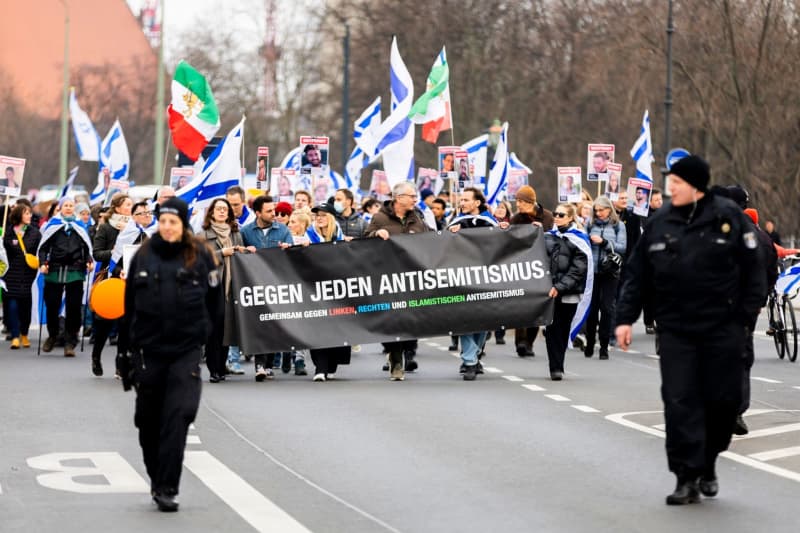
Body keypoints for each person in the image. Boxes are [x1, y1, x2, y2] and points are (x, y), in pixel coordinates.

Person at [616, 155, 766, 505]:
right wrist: (624, 318)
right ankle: (685, 476)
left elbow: (754, 269)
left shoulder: (727, 217)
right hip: (676, 330)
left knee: (722, 402)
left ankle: (709, 462)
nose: (670, 188)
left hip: (722, 328)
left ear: (696, 186)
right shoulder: (660, 223)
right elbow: (637, 274)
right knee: (679, 401)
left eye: (677, 183)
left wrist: (744, 316)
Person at [123, 197, 218, 512]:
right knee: (148, 421)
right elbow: (129, 307)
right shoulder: (144, 256)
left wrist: (207, 339)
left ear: (183, 224)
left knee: (178, 416)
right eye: (162, 221)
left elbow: (215, 303)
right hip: (149, 350)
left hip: (185, 351)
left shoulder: (200, 256)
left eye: (172, 222)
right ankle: (156, 477)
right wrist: (125, 354)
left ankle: (168, 487)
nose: (166, 227)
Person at [366, 182, 429, 380]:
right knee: (393, 321)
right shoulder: (379, 217)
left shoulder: (417, 218)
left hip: (412, 278)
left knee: (411, 320)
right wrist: (376, 234)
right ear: (398, 198)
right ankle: (396, 360)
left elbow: (432, 241)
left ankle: (408, 351)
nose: (415, 199)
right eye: (411, 196)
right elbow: (364, 240)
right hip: (388, 279)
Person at [240, 195, 294, 381]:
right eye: (270, 211)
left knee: (273, 324)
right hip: (254, 284)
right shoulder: (246, 232)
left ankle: (269, 363)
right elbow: (239, 256)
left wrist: (289, 249)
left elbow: (293, 255)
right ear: (258, 213)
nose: (275, 214)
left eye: (275, 210)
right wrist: (245, 251)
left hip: (276, 284)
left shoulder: (283, 230)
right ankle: (260, 364)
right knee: (258, 324)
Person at [447, 187, 498, 380]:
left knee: (483, 321)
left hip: (485, 279)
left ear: (477, 203)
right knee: (465, 319)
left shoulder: (490, 223)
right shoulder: (456, 222)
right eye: (461, 200)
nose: (462, 203)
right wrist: (450, 235)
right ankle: (469, 361)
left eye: (466, 199)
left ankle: (475, 355)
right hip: (462, 279)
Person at [198, 198, 247, 383]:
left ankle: (221, 366)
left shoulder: (235, 233)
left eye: (225, 209)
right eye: (218, 209)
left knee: (227, 329)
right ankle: (213, 369)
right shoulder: (202, 234)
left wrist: (243, 250)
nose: (221, 212)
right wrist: (221, 254)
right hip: (212, 288)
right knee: (214, 331)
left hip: (231, 286)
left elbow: (240, 256)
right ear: (211, 212)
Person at [37, 197, 93, 357]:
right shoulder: (53, 225)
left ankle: (70, 341)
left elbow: (86, 247)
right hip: (54, 268)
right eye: (66, 205)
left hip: (75, 269)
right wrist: (42, 263)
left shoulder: (80, 226)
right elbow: (44, 247)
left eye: (71, 206)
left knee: (74, 307)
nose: (68, 208)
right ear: (61, 208)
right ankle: (53, 334)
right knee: (52, 304)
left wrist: (89, 261)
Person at [543, 203, 590, 380]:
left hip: (568, 293)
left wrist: (559, 287)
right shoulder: (548, 237)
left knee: (562, 329)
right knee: (551, 329)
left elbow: (577, 270)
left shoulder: (578, 239)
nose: (556, 217)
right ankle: (555, 367)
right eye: (555, 213)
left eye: (561, 215)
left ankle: (559, 362)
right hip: (549, 293)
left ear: (571, 217)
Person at [90, 193, 133, 376]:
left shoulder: (135, 229)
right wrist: (115, 253)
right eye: (127, 205)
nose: (130, 208)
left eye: (132, 205)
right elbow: (97, 253)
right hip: (111, 278)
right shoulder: (106, 228)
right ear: (117, 208)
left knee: (126, 325)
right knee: (105, 324)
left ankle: (120, 363)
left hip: (129, 279)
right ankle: (96, 355)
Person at [306, 202, 350, 381]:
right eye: (317, 215)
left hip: (337, 290)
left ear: (331, 217)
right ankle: (319, 367)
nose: (319, 218)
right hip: (314, 289)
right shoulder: (307, 235)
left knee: (337, 327)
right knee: (317, 327)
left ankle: (331, 364)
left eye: (323, 215)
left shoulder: (339, 237)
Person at [509, 185, 553, 357]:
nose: (518, 205)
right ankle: (520, 342)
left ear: (531, 202)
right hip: (522, 266)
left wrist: (541, 230)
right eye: (517, 201)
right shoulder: (516, 218)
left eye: (520, 201)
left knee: (536, 305)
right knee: (521, 304)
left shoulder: (547, 217)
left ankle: (529, 342)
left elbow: (552, 239)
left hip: (541, 267)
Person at [584, 195, 626, 360]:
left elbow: (622, 247)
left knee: (607, 308)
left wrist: (604, 243)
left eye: (602, 210)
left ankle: (604, 345)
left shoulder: (618, 226)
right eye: (596, 210)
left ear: (609, 209)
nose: (599, 213)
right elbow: (581, 243)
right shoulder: (589, 224)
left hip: (610, 272)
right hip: (592, 272)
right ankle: (589, 342)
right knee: (592, 309)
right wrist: (588, 239)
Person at [3, 203, 41, 349]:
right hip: (10, 276)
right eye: (26, 213)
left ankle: (24, 333)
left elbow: (39, 251)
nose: (29, 216)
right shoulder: (8, 233)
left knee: (25, 307)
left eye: (30, 213)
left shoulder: (35, 233)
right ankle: (14, 335)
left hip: (27, 276)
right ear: (19, 215)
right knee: (11, 307)